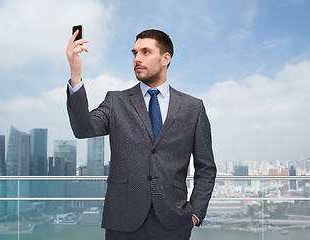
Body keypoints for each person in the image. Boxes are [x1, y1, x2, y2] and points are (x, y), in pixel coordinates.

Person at [66, 29, 216, 239]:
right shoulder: (116, 101)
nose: (137, 59)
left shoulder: (193, 107)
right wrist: (75, 74)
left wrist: (195, 214)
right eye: (134, 53)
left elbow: (206, 167)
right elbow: (84, 129)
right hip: (123, 221)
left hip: (174, 222)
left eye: (145, 52)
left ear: (165, 58)